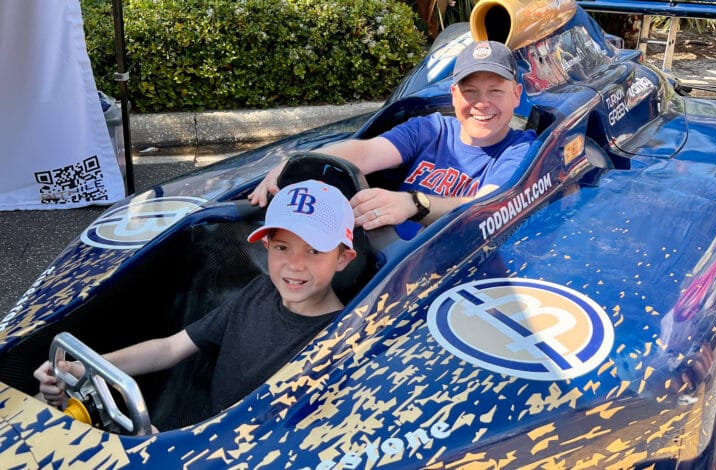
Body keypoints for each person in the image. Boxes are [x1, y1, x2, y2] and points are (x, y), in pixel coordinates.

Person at [34, 179, 357, 429]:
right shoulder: (260, 291)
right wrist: (84, 367)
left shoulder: (339, 337)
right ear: (266, 245)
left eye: (314, 251)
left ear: (343, 258)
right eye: (283, 248)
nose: (294, 265)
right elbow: (171, 348)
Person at [248, 40, 536, 238]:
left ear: (516, 95)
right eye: (470, 91)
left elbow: (487, 206)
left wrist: (414, 204)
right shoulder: (431, 129)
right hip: (375, 255)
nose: (482, 103)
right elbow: (364, 153)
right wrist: (296, 164)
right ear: (454, 95)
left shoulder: (520, 148)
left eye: (495, 91)